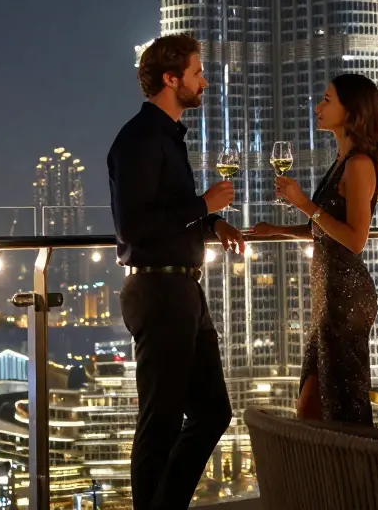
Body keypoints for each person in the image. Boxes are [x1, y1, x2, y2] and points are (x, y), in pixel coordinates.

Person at [108, 34, 245, 510]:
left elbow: (169, 210)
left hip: (184, 288)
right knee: (160, 421)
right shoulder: (140, 139)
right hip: (158, 288)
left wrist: (211, 220)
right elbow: (137, 225)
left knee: (212, 413)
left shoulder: (167, 137)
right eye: (196, 73)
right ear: (171, 79)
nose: (203, 81)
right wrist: (202, 204)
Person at [252, 74, 378, 425]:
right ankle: (328, 478)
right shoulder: (341, 161)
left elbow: (356, 239)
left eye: (327, 99)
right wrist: (277, 230)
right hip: (327, 295)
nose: (318, 106)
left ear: (352, 110)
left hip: (346, 297)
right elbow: (325, 230)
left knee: (340, 405)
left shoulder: (359, 164)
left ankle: (357, 476)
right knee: (311, 405)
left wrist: (303, 203)